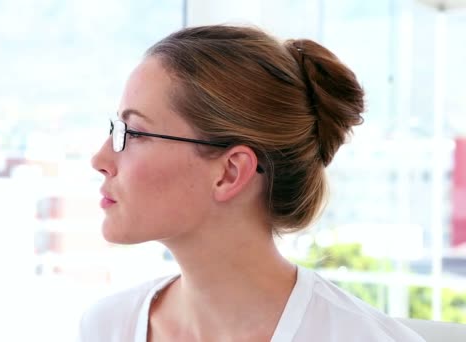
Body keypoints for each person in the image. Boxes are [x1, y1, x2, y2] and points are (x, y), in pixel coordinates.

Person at [82, 25, 424, 341]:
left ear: (230, 172)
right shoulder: (108, 326)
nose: (100, 160)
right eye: (117, 131)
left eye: (136, 133)